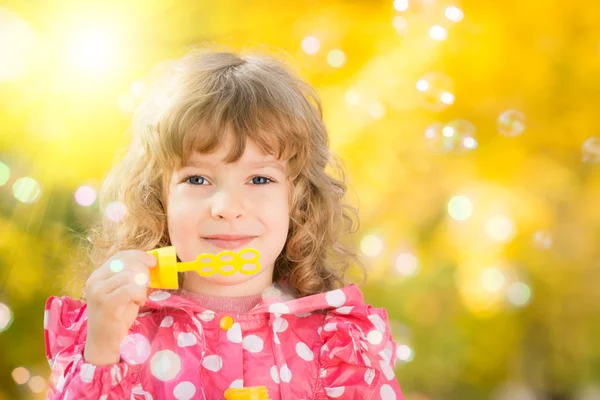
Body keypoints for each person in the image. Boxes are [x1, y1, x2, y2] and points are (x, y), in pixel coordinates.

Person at [44, 48, 405, 399]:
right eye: (198, 179)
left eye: (260, 179)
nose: (228, 208)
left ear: (297, 200)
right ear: (159, 197)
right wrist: (102, 351)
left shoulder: (339, 347)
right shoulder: (120, 334)